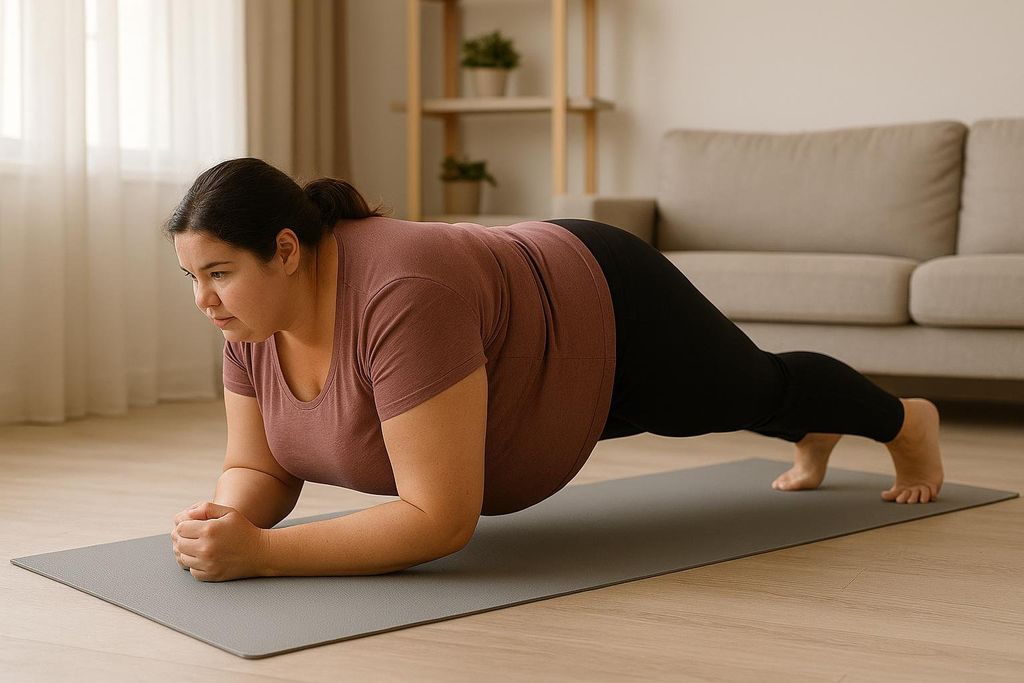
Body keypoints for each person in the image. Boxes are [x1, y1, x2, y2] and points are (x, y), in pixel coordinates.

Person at [167, 158, 943, 581]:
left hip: (600, 297)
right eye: (191, 278)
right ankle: (814, 430)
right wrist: (231, 521)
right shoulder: (251, 312)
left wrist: (266, 555)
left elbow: (439, 519)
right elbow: (255, 464)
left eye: (219, 272)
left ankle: (905, 420)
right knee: (744, 394)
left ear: (288, 250)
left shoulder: (402, 291)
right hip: (523, 367)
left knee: (750, 387)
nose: (204, 299)